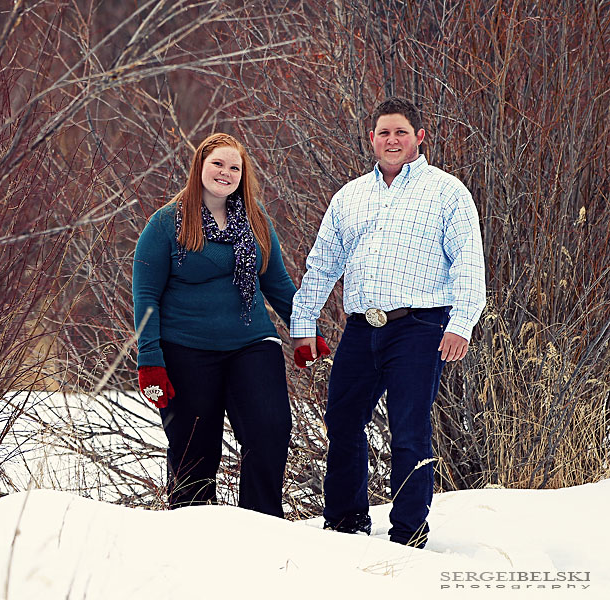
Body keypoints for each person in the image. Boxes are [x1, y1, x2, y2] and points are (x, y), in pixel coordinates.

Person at [291, 97, 486, 547]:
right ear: (372, 138)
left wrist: (461, 322)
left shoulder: (447, 192)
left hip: (419, 327)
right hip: (362, 328)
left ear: (419, 137)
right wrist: (303, 323)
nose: (392, 140)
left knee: (409, 430)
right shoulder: (350, 197)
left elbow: (468, 261)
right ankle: (345, 525)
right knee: (342, 421)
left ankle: (408, 534)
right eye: (384, 132)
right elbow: (322, 264)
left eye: (401, 132)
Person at [132, 133, 324, 518]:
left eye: (234, 167)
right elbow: (146, 295)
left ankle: (262, 524)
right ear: (200, 167)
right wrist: (149, 359)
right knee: (195, 449)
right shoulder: (167, 222)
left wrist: (305, 331)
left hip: (252, 342)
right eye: (218, 164)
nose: (226, 172)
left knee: (269, 431)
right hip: (186, 349)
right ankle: (194, 530)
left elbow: (277, 283)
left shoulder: (255, 220)